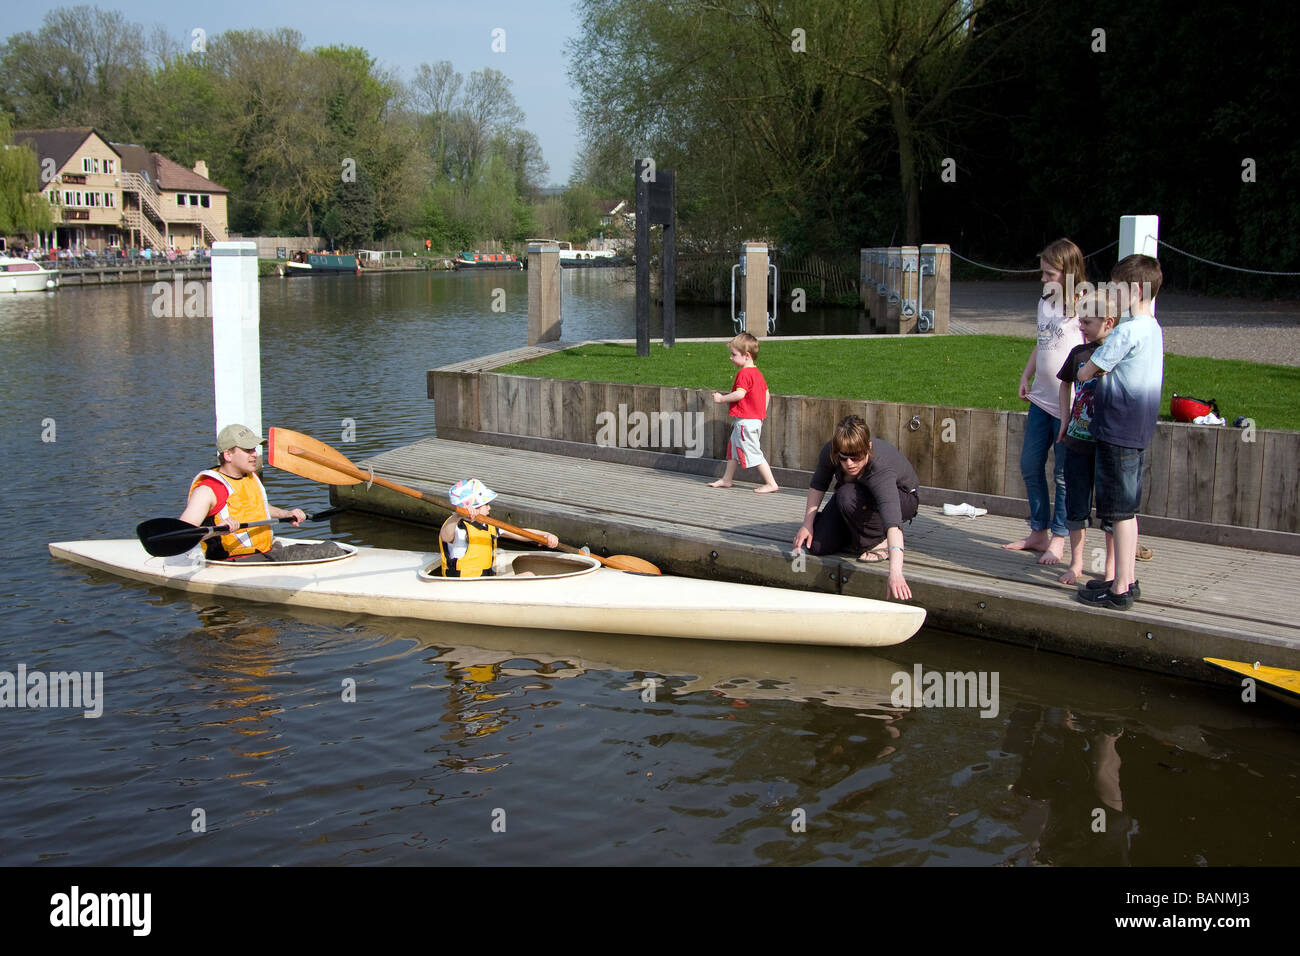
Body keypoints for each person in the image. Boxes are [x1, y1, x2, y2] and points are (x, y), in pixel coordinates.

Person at [1075, 255, 1164, 610]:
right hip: (1137, 428)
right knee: (1128, 508)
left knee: (1119, 513)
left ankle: (1120, 591)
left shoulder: (1126, 331)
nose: (1112, 293)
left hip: (1116, 429)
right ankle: (1124, 578)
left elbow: (1087, 372)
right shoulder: (1153, 327)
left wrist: (1082, 365)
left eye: (1117, 287)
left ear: (1137, 290)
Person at [1003, 238, 1085, 565]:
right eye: (1042, 273)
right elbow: (1042, 342)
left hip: (1068, 406)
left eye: (1049, 274)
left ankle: (1060, 537)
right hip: (1040, 399)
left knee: (1063, 474)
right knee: (1029, 464)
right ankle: (1038, 531)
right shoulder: (1045, 301)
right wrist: (1026, 375)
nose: (1043, 279)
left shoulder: (1084, 306)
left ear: (1069, 273)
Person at [792, 415, 919, 601]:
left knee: (847, 495)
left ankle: (878, 541)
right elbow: (818, 485)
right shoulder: (831, 451)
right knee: (818, 545)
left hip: (902, 499)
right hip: (856, 495)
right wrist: (807, 524)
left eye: (856, 457)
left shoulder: (880, 470)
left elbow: (893, 522)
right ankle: (853, 529)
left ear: (867, 448)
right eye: (843, 458)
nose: (849, 463)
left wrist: (896, 573)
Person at [179, 423, 346, 562]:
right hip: (236, 562)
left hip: (266, 552)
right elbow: (183, 535)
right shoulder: (207, 490)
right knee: (330, 552)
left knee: (333, 548)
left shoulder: (248, 478)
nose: (254, 455)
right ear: (228, 455)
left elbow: (257, 507)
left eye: (254, 449)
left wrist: (286, 514)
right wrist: (218, 530)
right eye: (247, 450)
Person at [1054, 292, 1117, 586]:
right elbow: (1065, 384)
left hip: (1108, 443)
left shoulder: (1119, 355)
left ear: (1109, 322)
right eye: (1080, 321)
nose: (1082, 327)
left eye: (1088, 322)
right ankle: (1077, 562)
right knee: (1076, 503)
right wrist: (1065, 420)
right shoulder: (1079, 353)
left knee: (1110, 510)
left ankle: (1111, 567)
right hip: (1077, 441)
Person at [437, 478, 559, 578]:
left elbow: (520, 533)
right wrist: (458, 515)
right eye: (485, 504)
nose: (489, 508)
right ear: (473, 507)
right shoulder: (456, 526)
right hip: (463, 586)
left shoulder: (489, 525)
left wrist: (545, 535)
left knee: (528, 575)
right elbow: (446, 536)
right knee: (529, 576)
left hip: (484, 582)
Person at [707, 332, 779, 493]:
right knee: (733, 449)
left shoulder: (744, 374)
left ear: (746, 356)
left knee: (753, 452)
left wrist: (721, 398)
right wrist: (761, 415)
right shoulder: (758, 374)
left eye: (733, 354)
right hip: (752, 420)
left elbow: (740, 394)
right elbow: (766, 395)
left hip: (745, 422)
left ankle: (771, 483)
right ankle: (727, 479)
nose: (730, 357)